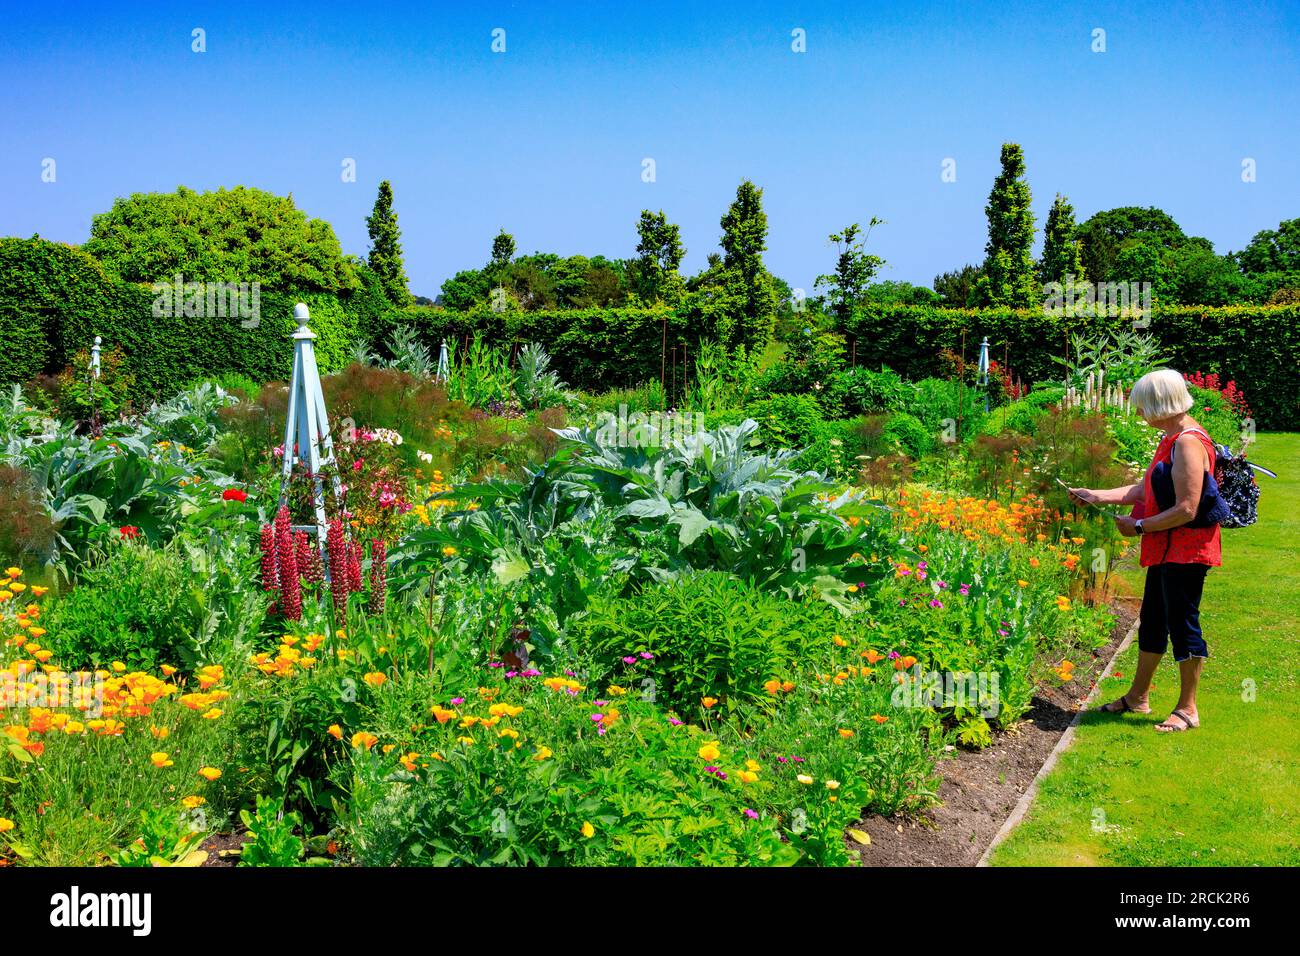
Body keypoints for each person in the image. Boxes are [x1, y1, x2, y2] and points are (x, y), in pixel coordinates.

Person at [1069, 369, 1220, 733]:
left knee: (1183, 624)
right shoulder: (1170, 439)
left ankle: (1188, 708)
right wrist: (1097, 495)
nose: (1139, 415)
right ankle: (1139, 697)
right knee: (1152, 621)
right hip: (1164, 548)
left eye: (1143, 408)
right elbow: (1145, 488)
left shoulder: (1188, 443)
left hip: (1186, 552)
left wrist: (1137, 526)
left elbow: (1187, 507)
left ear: (1160, 404)